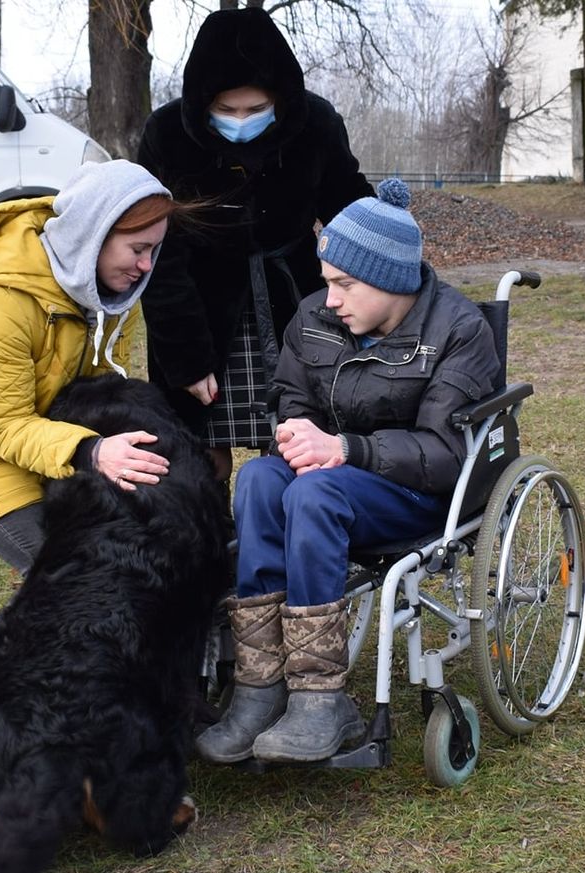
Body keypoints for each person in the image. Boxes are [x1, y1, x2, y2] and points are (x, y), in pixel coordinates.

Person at [195, 179, 500, 765]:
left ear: (390, 280)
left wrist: (346, 449)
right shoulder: (314, 318)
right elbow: (290, 394)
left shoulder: (459, 332)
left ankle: (321, 699)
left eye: (344, 284)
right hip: (334, 478)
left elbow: (446, 453)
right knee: (260, 480)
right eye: (328, 281)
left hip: (419, 492)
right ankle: (262, 686)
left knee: (315, 491)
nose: (329, 298)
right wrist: (295, 432)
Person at [0, 159, 187, 575]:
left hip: (50, 440)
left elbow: (101, 391)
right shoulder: (2, 296)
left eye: (154, 250)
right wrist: (92, 450)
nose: (147, 266)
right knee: (75, 575)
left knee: (127, 554)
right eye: (137, 249)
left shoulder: (113, 291)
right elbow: (3, 424)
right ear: (93, 237)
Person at [137, 6, 373, 482]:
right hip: (200, 310)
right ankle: (212, 551)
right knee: (200, 454)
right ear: (202, 102)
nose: (240, 120)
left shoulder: (315, 126)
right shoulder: (166, 136)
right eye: (225, 110)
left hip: (295, 304)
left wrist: (388, 248)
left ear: (281, 100)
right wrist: (185, 355)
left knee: (295, 445)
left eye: (255, 109)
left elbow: (352, 213)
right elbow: (158, 255)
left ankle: (279, 544)